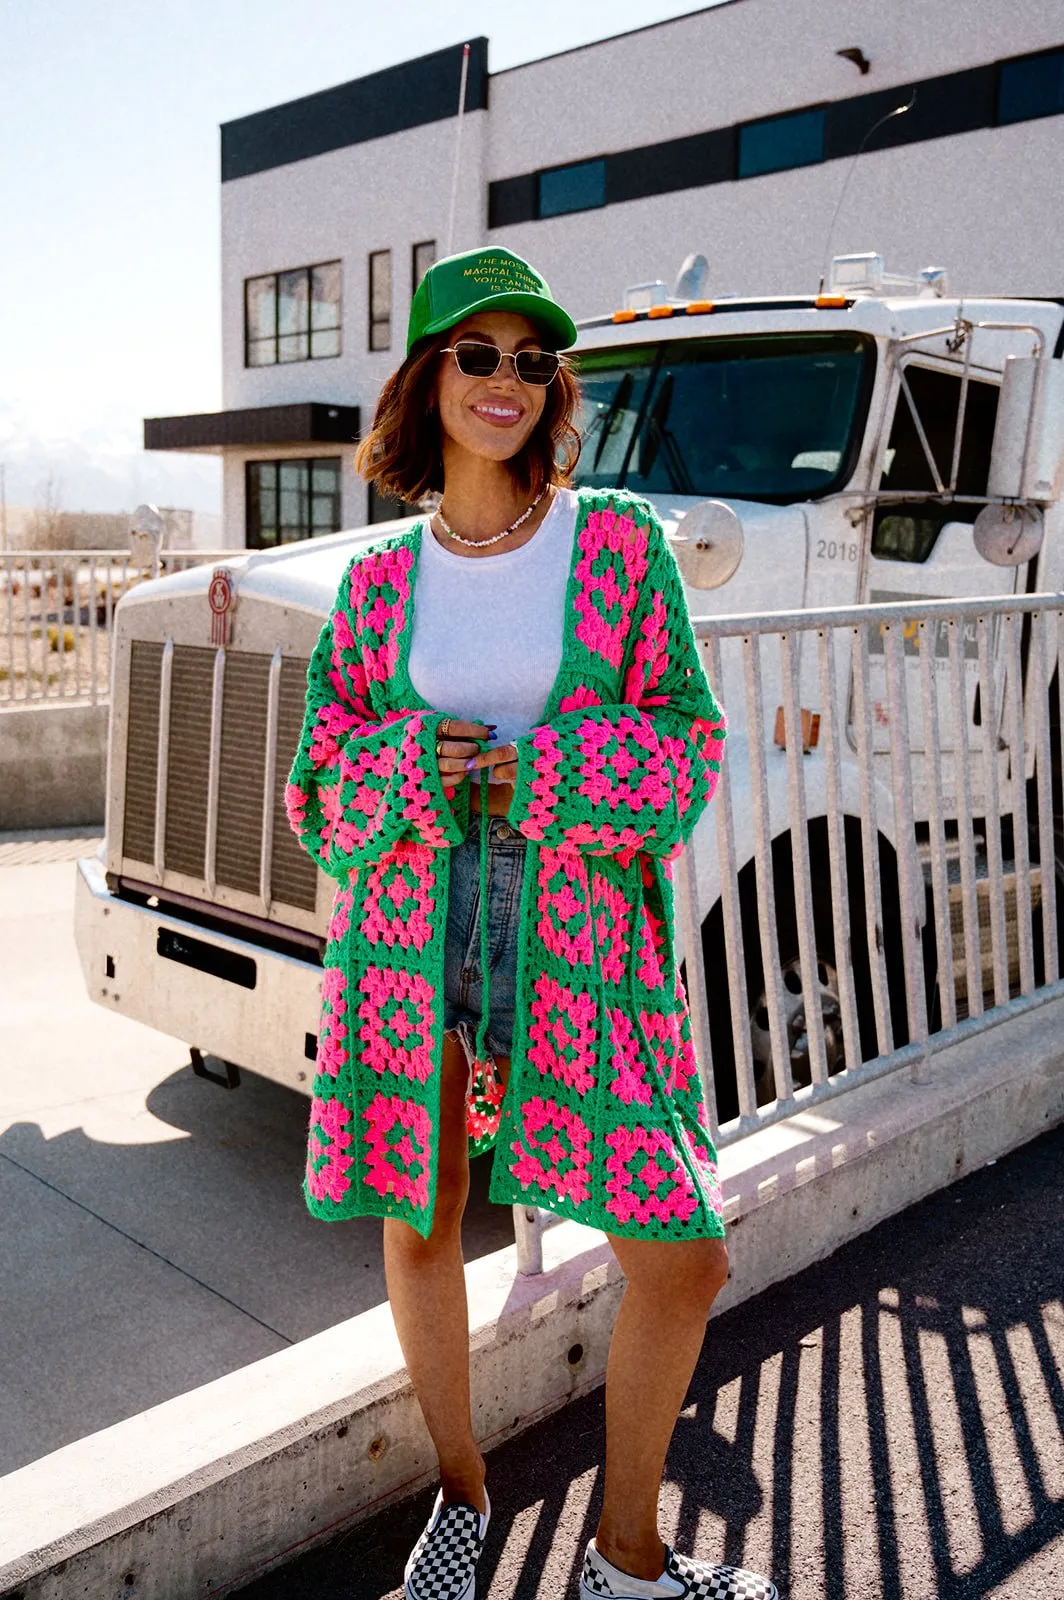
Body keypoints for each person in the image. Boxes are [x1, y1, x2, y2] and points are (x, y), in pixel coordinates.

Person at [286, 246, 777, 1600]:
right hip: (412, 930)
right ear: (427, 378)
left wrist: (550, 774)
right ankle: (460, 1496)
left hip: (579, 938)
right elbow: (319, 788)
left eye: (531, 360)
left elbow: (686, 741)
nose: (507, 381)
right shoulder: (377, 581)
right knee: (422, 1215)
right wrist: (405, 768)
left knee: (684, 1254)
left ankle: (625, 1560)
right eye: (478, 353)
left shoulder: (618, 543)